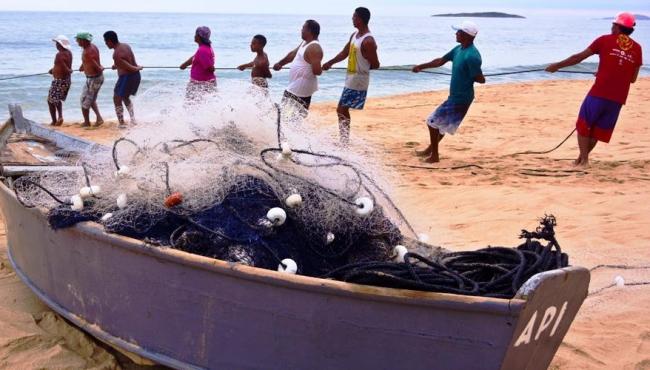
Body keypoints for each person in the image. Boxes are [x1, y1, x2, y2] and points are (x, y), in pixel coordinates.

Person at [546, 12, 643, 167]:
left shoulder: (604, 40)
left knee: (584, 125)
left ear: (617, 27)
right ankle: (581, 159)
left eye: (613, 24)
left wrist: (556, 66)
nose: (611, 27)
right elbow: (632, 78)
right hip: (618, 98)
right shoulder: (637, 48)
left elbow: (577, 58)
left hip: (599, 93)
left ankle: (584, 160)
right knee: (598, 129)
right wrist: (606, 71)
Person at [411, 21, 485, 163]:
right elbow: (440, 61)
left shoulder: (472, 56)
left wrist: (479, 76)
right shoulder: (458, 49)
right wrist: (421, 66)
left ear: (468, 36)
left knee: (432, 122)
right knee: (442, 125)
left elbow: (480, 79)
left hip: (461, 98)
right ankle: (431, 150)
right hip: (455, 96)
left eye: (459, 32)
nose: (456, 33)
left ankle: (434, 156)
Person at [323, 7, 380, 145]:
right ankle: (344, 140)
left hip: (358, 80)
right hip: (350, 78)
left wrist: (366, 63)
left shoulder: (368, 41)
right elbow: (344, 53)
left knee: (341, 109)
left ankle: (344, 141)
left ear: (360, 19)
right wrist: (329, 63)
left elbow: (376, 64)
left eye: (354, 17)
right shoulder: (354, 35)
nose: (352, 19)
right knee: (342, 109)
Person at [273, 20, 323, 113]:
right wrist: (280, 63)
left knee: (289, 115)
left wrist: (321, 68)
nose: (301, 30)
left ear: (309, 31)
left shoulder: (314, 48)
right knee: (289, 114)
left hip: (300, 88)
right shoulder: (305, 43)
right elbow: (292, 54)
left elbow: (317, 71)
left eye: (303, 28)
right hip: (296, 86)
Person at [104, 31, 143, 128]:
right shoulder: (126, 46)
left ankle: (121, 123)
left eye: (105, 41)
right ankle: (133, 119)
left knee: (116, 98)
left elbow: (130, 68)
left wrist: (138, 67)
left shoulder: (116, 54)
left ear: (109, 41)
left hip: (127, 77)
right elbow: (126, 62)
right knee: (125, 97)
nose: (105, 44)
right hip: (135, 76)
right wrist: (117, 65)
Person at [76, 32, 105, 127]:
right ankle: (99, 118)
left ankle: (87, 122)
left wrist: (99, 68)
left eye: (78, 40)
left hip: (94, 79)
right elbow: (88, 60)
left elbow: (94, 63)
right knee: (90, 100)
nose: (77, 42)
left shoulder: (88, 51)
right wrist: (82, 66)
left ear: (83, 41)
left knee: (85, 101)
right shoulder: (91, 47)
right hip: (94, 78)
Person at [180, 26, 216, 101]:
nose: (194, 36)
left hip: (202, 84)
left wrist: (211, 67)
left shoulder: (202, 50)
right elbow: (195, 57)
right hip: (198, 83)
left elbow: (210, 68)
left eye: (196, 34)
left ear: (199, 36)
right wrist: (185, 64)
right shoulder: (203, 48)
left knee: (191, 105)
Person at [47, 35, 73, 126]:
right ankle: (59, 117)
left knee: (51, 100)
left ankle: (56, 120)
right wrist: (52, 70)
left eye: (57, 43)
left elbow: (63, 66)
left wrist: (68, 70)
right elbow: (61, 65)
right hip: (66, 80)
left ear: (61, 44)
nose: (56, 45)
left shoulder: (59, 54)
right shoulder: (69, 53)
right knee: (55, 99)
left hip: (59, 80)